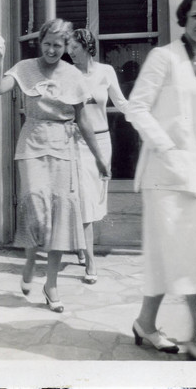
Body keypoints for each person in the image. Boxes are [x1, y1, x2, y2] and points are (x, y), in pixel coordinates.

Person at [126, 0, 196, 360]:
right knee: (190, 257)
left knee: (168, 256)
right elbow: (136, 108)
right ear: (183, 18)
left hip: (195, 178)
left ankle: (145, 323)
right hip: (164, 176)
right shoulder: (163, 57)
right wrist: (167, 147)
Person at [0, 19, 109, 313]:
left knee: (61, 216)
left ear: (66, 46)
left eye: (58, 45)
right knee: (34, 204)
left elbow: (83, 120)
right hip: (31, 143)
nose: (52, 50)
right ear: (40, 42)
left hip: (64, 147)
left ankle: (51, 284)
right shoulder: (26, 67)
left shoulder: (73, 75)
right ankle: (31, 257)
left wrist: (98, 156)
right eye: (47, 44)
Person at [68, 28, 130, 284]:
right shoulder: (68, 75)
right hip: (78, 143)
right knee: (84, 199)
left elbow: (122, 103)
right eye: (68, 47)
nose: (69, 52)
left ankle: (83, 248)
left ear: (87, 47)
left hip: (103, 142)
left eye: (74, 47)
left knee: (94, 200)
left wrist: (145, 120)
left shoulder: (106, 72)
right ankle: (91, 262)